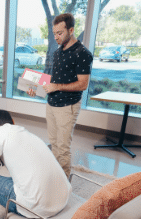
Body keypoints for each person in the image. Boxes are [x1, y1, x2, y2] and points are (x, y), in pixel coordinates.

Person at [27, 13, 93, 179]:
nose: (56, 37)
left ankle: (63, 184)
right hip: (52, 103)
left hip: (68, 106)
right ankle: (56, 176)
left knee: (62, 148)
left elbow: (83, 84)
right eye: (54, 33)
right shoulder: (57, 52)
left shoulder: (82, 53)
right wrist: (36, 88)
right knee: (54, 143)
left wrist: (56, 86)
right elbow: (53, 80)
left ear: (71, 30)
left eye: (60, 33)